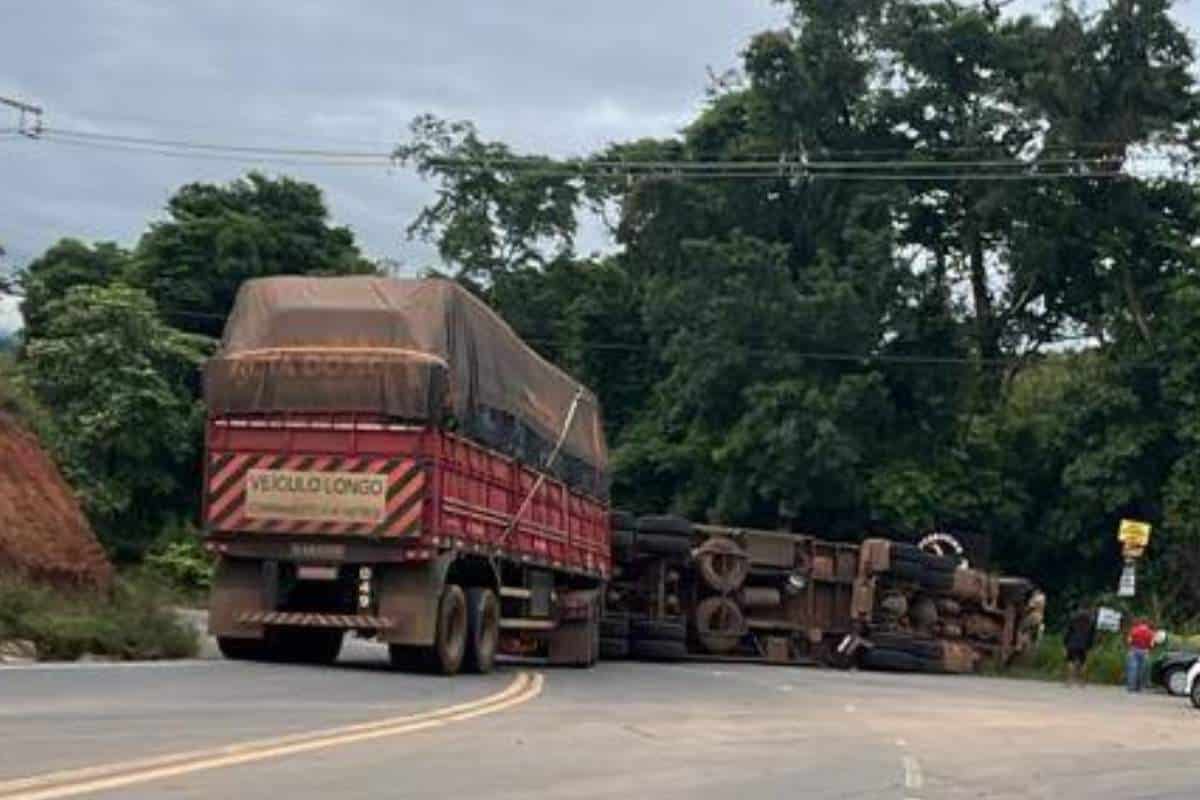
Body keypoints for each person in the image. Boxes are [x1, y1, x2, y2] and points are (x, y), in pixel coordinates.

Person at [1063, 607, 1095, 687]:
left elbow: (1068, 633)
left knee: (1070, 662)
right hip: (1084, 645)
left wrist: (1065, 644)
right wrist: (1090, 647)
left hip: (1072, 643)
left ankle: (1069, 681)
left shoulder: (1073, 621)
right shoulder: (1090, 623)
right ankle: (1082, 682)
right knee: (1083, 663)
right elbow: (1091, 636)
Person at [1126, 618, 1156, 692]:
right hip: (1145, 651)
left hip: (1134, 650)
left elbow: (1129, 641)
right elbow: (1152, 645)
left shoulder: (1134, 630)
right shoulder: (1151, 633)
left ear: (1140, 623)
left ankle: (1131, 687)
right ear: (1147, 624)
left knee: (1133, 669)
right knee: (1142, 670)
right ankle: (1139, 687)